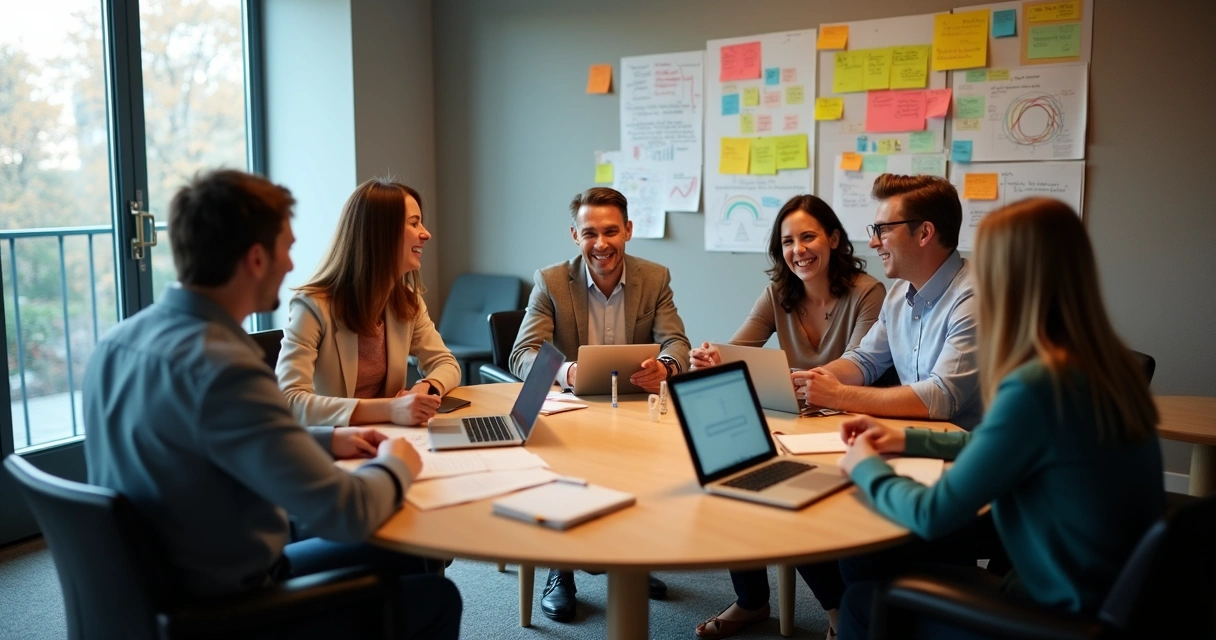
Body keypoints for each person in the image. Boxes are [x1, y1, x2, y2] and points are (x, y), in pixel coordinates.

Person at [82, 170, 461, 638]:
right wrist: (397, 464)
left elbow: (216, 440)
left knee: (414, 552)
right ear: (257, 259)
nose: (290, 263)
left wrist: (329, 440)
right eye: (286, 246)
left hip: (155, 594)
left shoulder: (114, 344)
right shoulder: (224, 368)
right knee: (438, 596)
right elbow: (347, 513)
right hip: (234, 608)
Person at [832, 197, 1164, 638]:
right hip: (1111, 595)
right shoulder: (1103, 366)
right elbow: (997, 444)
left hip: (1053, 613)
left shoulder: (1038, 385)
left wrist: (865, 466)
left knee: (860, 600)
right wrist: (905, 440)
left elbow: (933, 513)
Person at [688, 195, 885, 638]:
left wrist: (806, 380)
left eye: (808, 236)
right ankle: (752, 601)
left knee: (790, 496)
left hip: (842, 424)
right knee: (733, 468)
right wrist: (713, 357)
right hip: (789, 420)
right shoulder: (779, 292)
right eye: (788, 241)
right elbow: (738, 349)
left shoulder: (867, 291)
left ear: (834, 239)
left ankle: (836, 610)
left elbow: (862, 363)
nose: (798, 249)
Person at [509, 186, 691, 621]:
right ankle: (561, 570)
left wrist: (665, 366)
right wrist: (567, 371)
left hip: (630, 405)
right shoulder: (551, 280)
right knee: (565, 463)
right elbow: (523, 353)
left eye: (612, 231)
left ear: (629, 230)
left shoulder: (655, 277)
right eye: (590, 233)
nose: (602, 243)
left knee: (648, 462)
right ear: (575, 235)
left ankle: (627, 561)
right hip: (571, 406)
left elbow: (677, 341)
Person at [799, 174, 982, 430]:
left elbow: (942, 397)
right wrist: (810, 381)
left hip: (967, 453)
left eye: (883, 230)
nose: (874, 242)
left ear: (924, 233)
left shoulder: (974, 297)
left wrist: (838, 396)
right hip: (913, 439)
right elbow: (865, 360)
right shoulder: (898, 293)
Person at [277, 178, 461, 428]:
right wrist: (389, 409)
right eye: (414, 223)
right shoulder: (312, 306)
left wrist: (424, 387)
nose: (426, 233)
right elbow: (290, 401)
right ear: (380, 234)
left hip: (391, 437)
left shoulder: (407, 300)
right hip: (335, 445)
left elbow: (446, 363)